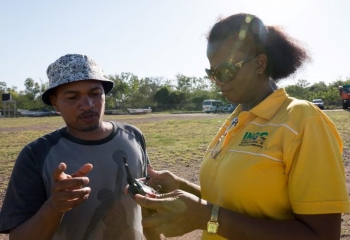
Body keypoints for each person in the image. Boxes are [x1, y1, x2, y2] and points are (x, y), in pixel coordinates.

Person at [132, 13, 350, 239]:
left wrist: (207, 219)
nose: (217, 82)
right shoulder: (236, 118)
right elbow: (227, 206)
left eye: (225, 71)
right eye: (212, 73)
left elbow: (323, 235)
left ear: (259, 63)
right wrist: (179, 186)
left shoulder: (303, 121)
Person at [0, 54, 156, 239]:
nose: (87, 105)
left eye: (95, 94)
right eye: (73, 97)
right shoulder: (36, 154)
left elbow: (148, 207)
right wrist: (55, 206)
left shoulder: (134, 137)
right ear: (55, 103)